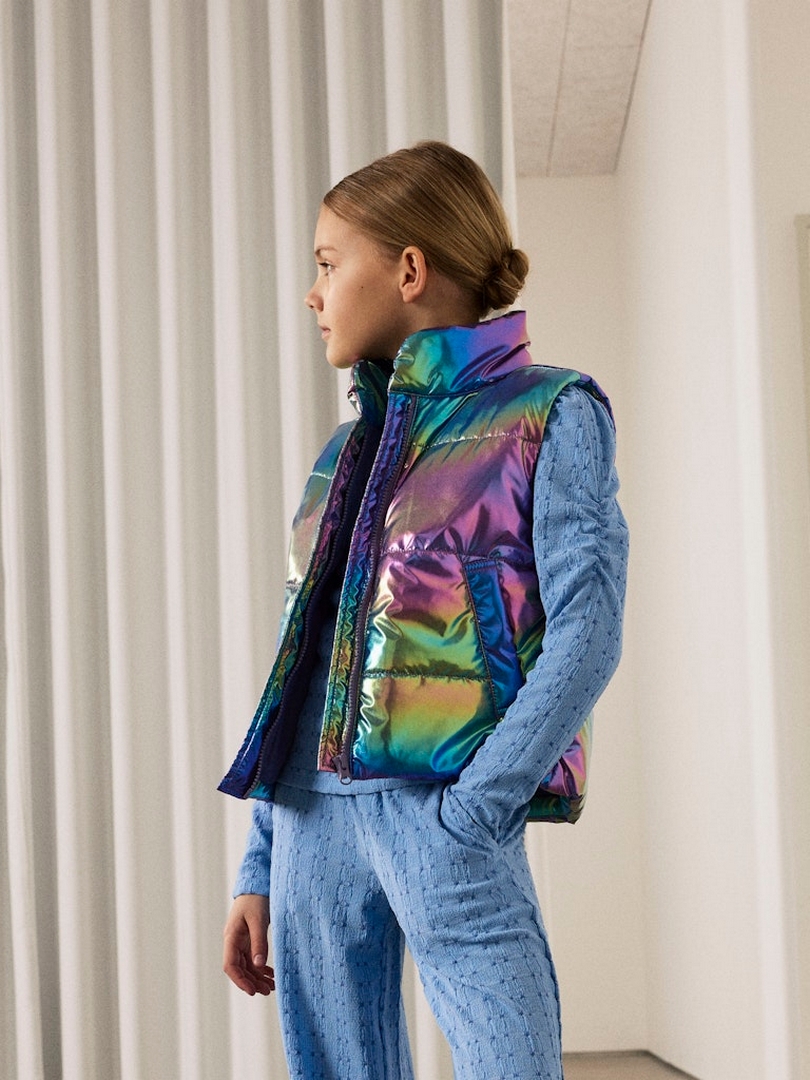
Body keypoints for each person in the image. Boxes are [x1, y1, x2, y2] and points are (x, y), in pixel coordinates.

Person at [220, 140, 628, 1080]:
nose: (313, 293)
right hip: (312, 819)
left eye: (329, 264)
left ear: (409, 270)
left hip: (444, 810)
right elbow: (303, 665)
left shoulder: (551, 413)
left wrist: (479, 807)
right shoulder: (343, 452)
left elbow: (589, 629)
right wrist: (261, 862)